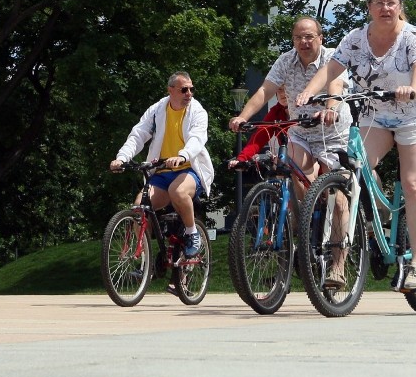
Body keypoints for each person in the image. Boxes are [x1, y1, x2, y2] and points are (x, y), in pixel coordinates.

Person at [296, 0, 416, 290]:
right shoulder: (355, 39)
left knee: (413, 182)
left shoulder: (413, 36)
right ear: (370, 8)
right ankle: (344, 257)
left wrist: (413, 89)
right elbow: (331, 69)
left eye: (391, 2)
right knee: (352, 170)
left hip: (415, 113)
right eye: (379, 3)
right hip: (375, 113)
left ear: (400, 7)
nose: (385, 8)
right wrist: (308, 93)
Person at [229, 16, 351, 289]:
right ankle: (308, 227)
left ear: (320, 37)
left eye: (309, 36)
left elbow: (335, 86)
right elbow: (265, 90)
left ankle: (338, 267)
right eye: (298, 37)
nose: (303, 42)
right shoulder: (285, 61)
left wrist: (330, 108)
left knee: (338, 198)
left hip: (333, 134)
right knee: (297, 175)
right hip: (301, 133)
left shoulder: (333, 57)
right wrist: (243, 115)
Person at [110, 72, 214, 258]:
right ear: (171, 90)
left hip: (189, 168)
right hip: (162, 171)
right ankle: (145, 260)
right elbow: (139, 134)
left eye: (191, 89)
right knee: (139, 207)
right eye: (184, 89)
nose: (189, 93)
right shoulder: (158, 109)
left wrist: (182, 156)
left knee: (178, 191)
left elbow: (197, 139)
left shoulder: (197, 111)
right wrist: (122, 157)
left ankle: (192, 233)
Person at [227, 86, 289, 168]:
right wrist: (241, 159)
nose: (282, 93)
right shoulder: (276, 112)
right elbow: (259, 137)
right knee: (279, 169)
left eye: (286, 89)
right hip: (288, 156)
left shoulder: (304, 109)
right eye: (279, 90)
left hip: (307, 151)